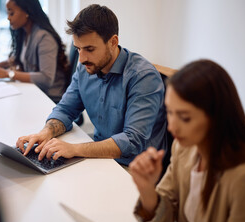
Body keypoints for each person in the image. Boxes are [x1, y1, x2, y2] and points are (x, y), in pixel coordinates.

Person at [16, 4, 168, 166]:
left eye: (89, 49)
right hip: (100, 158)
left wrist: (74, 149)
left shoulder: (143, 77)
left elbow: (132, 141)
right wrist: (45, 133)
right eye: (78, 49)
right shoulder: (86, 68)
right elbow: (66, 109)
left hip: (136, 168)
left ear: (113, 42)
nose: (81, 59)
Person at [130, 59, 245, 222]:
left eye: (184, 117)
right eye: (169, 112)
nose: (172, 127)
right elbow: (168, 212)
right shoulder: (184, 149)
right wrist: (146, 188)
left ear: (216, 117)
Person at [0, 0, 69, 103]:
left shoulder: (44, 38)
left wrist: (7, 73)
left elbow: (46, 78)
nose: (8, 18)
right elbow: (21, 57)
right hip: (35, 92)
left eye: (11, 13)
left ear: (27, 12)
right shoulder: (26, 32)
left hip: (50, 98)